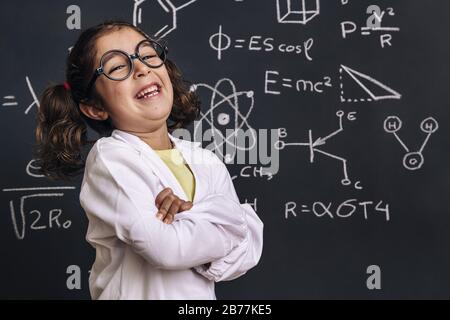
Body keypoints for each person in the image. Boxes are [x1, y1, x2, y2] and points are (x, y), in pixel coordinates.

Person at [33, 20, 263, 300]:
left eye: (148, 55)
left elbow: (246, 253)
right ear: (95, 108)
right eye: (118, 67)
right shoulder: (111, 158)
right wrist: (224, 218)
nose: (141, 68)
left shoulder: (206, 160)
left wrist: (188, 218)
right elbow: (164, 247)